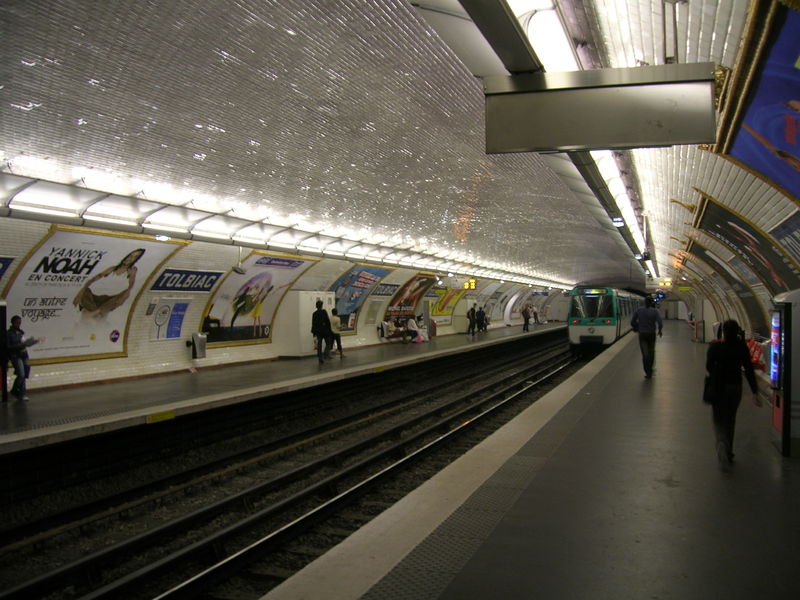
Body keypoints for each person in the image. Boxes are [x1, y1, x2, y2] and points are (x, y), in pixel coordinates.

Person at [706, 320, 760, 467]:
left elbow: (709, 366)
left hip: (719, 387)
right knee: (730, 419)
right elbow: (749, 369)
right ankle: (729, 452)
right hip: (735, 387)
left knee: (718, 420)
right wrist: (755, 392)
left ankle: (722, 444)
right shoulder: (741, 347)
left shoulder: (716, 347)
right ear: (737, 332)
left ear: (723, 331)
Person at [73, 248, 145, 317]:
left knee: (124, 294)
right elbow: (93, 279)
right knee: (85, 291)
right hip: (94, 297)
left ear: (136, 259)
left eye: (135, 257)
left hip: (109, 300)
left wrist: (125, 296)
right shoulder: (112, 269)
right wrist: (79, 295)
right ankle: (95, 312)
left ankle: (96, 312)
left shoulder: (132, 271)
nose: (130, 258)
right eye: (131, 256)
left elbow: (131, 286)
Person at [6, 315, 40, 401]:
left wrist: (33, 342)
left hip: (24, 354)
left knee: (24, 374)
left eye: (19, 323)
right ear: (13, 323)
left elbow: (24, 343)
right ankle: (14, 390)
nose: (18, 325)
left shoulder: (21, 332)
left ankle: (21, 394)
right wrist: (19, 346)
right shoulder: (8, 334)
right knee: (21, 374)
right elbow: (8, 347)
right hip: (16, 356)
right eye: (17, 323)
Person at [631, 297, 662, 378]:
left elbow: (632, 321)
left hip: (642, 335)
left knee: (645, 354)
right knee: (652, 352)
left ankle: (647, 371)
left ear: (644, 302)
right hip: (651, 334)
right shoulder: (655, 311)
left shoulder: (639, 310)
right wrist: (660, 330)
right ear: (651, 303)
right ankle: (650, 370)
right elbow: (660, 322)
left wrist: (637, 328)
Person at [310, 300, 332, 364]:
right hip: (325, 331)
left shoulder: (314, 314)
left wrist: (314, 332)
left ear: (316, 306)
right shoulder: (324, 312)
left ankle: (320, 357)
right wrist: (329, 330)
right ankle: (325, 354)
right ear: (322, 306)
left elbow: (313, 323)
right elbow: (327, 321)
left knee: (319, 345)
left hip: (318, 332)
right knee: (328, 343)